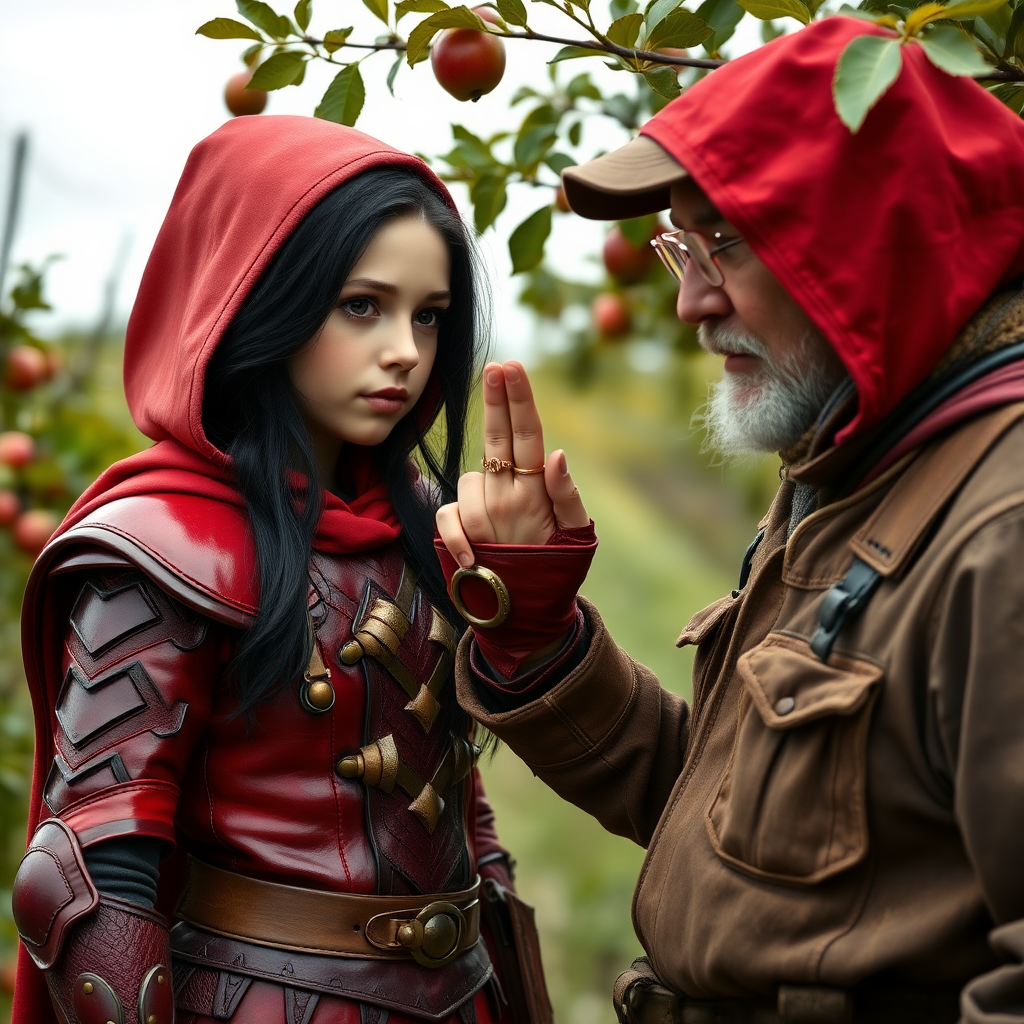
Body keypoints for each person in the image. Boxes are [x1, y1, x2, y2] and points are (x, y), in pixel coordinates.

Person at [434, 15, 1024, 1024]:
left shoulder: (998, 527)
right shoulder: (851, 472)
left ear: (860, 246)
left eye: (725, 243)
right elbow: (745, 825)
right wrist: (539, 641)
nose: (689, 301)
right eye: (680, 246)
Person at [11, 115, 551, 1024]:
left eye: (429, 316)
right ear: (260, 299)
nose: (406, 354)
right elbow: (90, 879)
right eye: (362, 306)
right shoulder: (166, 547)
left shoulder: (416, 521)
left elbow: (451, 795)